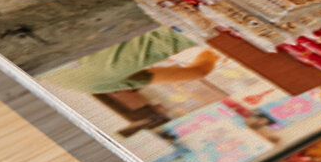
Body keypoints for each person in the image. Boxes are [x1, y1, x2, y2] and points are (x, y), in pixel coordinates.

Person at [40, 27, 220, 93]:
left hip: (195, 27)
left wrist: (211, 55)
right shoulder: (37, 42)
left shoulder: (78, 84)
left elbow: (198, 71)